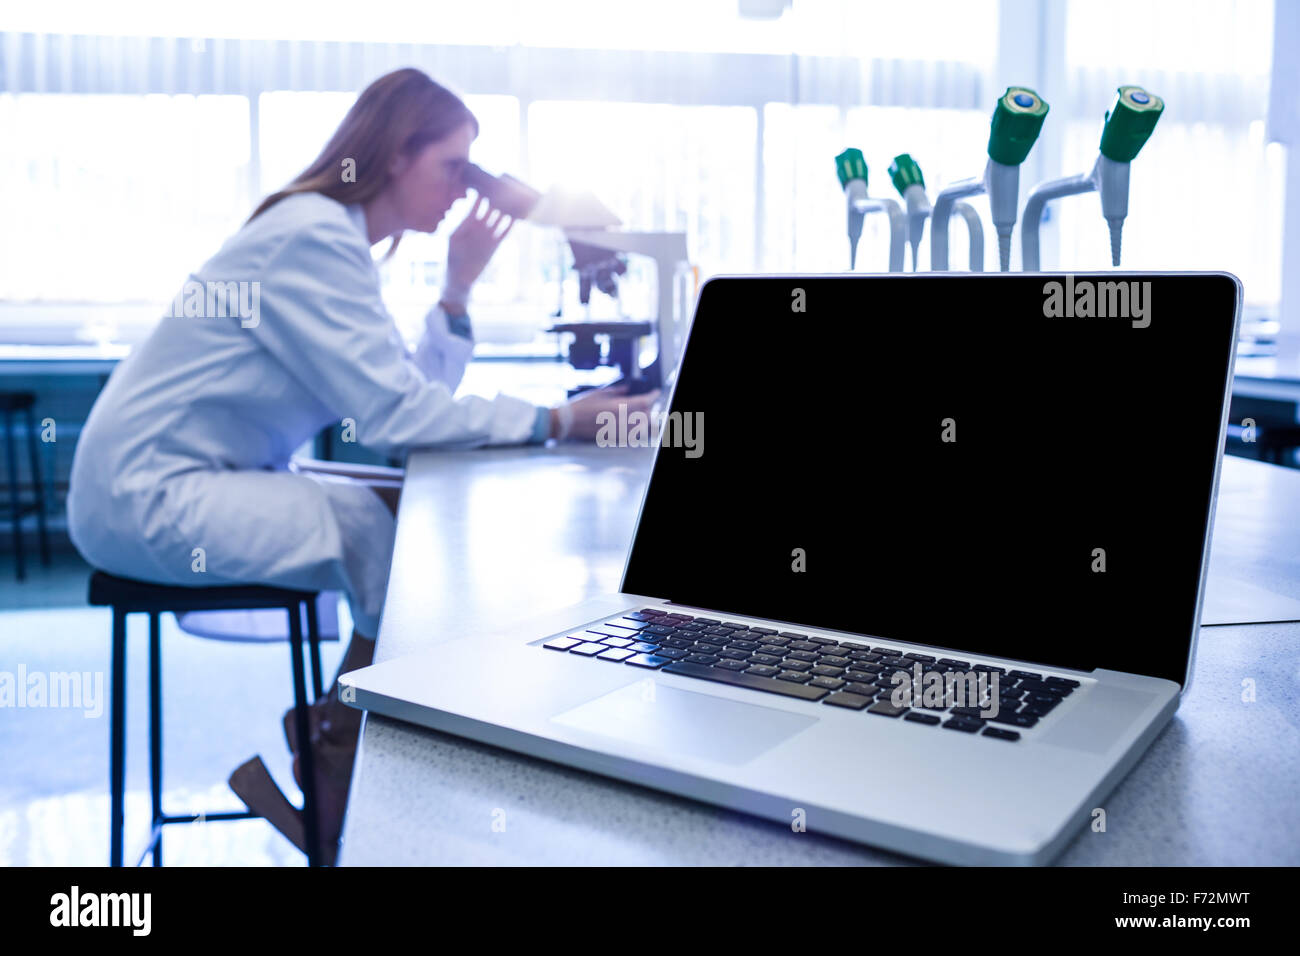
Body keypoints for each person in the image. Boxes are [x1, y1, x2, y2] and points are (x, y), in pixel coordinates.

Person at [66, 67, 657, 864]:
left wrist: (456, 290)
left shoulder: (334, 239)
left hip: (207, 474)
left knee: (400, 501)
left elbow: (407, 412)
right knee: (381, 530)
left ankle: (332, 740)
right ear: (390, 156)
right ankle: (352, 766)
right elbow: (399, 418)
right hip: (146, 497)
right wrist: (560, 420)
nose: (462, 190)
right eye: (452, 168)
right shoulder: (313, 237)